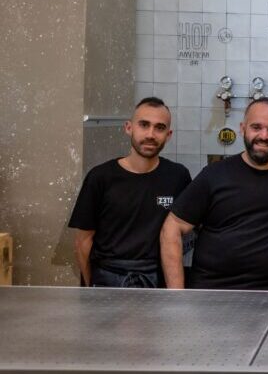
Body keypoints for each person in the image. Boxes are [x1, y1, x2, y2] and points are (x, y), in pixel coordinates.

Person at [160, 98, 268, 290]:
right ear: (243, 129)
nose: (264, 136)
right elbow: (172, 227)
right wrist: (176, 294)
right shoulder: (214, 174)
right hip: (212, 291)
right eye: (256, 127)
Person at [69, 97, 191, 288]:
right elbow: (83, 241)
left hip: (157, 280)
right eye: (144, 125)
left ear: (168, 135)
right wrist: (92, 287)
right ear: (129, 127)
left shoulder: (178, 176)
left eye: (159, 128)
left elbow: (187, 231)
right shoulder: (100, 177)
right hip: (108, 279)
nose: (150, 134)